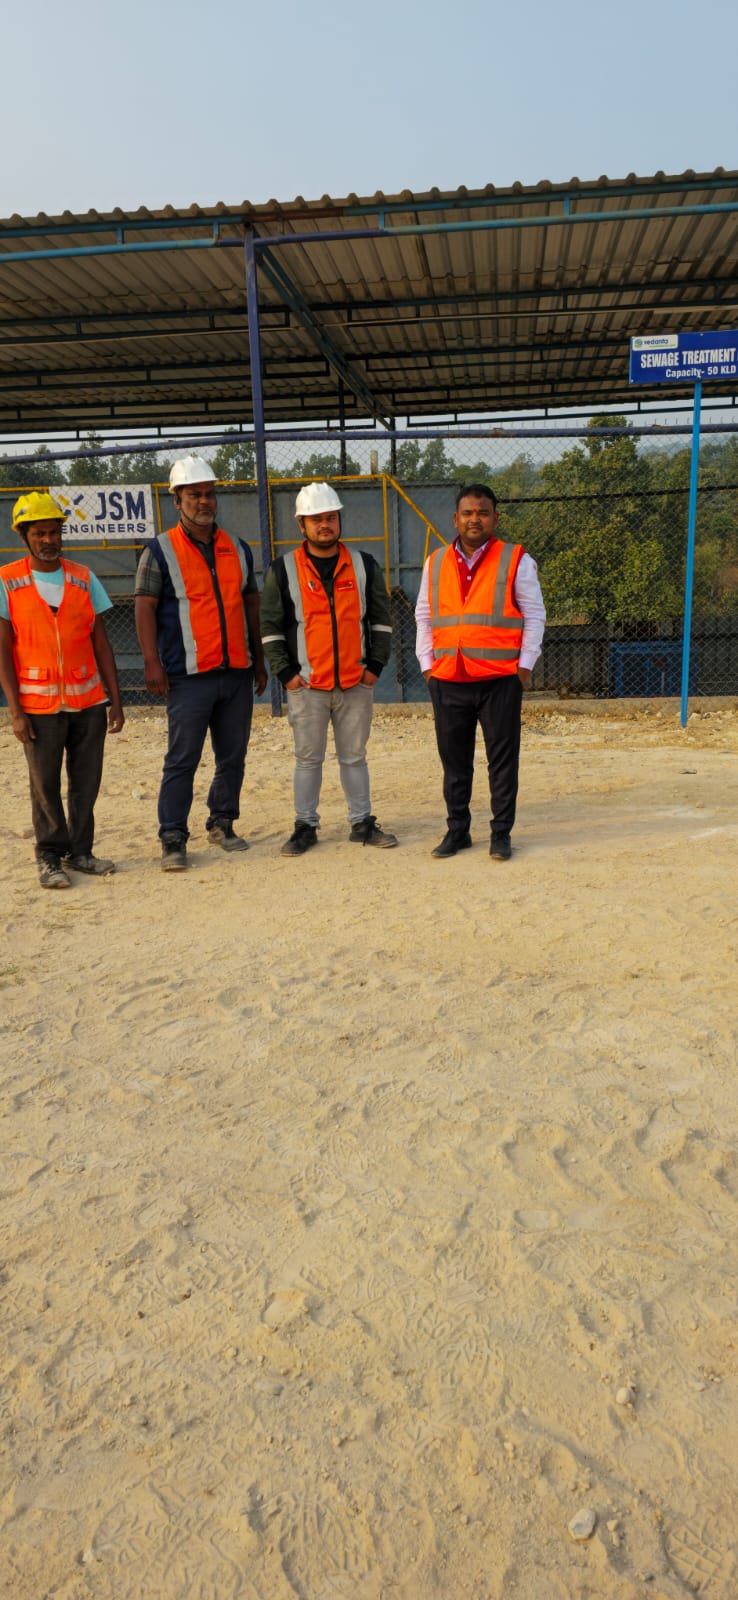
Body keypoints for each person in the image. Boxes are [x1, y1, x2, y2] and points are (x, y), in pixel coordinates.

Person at [134, 455, 267, 871]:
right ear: (177, 500)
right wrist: (152, 663)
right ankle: (173, 836)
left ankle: (222, 822)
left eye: (209, 494)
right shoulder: (159, 551)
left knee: (232, 755)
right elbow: (144, 607)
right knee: (182, 759)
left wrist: (259, 659)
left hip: (236, 672)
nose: (204, 501)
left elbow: (250, 604)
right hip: (188, 677)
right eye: (194, 495)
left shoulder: (237, 548)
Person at [260, 482, 398, 855]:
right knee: (308, 759)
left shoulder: (364, 565)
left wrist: (375, 666)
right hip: (307, 684)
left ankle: (362, 823)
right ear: (301, 525)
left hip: (355, 682)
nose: (325, 525)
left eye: (331, 517)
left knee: (354, 756)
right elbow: (270, 627)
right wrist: (287, 675)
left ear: (339, 520)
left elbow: (381, 620)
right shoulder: (283, 570)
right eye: (316, 519)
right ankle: (305, 826)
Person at [0, 491, 124, 889]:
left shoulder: (83, 578)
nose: (48, 540)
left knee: (86, 782)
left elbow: (101, 643)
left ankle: (81, 852)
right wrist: (15, 712)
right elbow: (3, 650)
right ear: (23, 535)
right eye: (39, 533)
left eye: (54, 532)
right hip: (38, 708)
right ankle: (50, 856)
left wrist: (115, 699)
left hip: (88, 703)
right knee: (45, 785)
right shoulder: (7, 581)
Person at [415, 482, 545, 860]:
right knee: (454, 762)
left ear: (495, 518)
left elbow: (534, 615)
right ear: (455, 519)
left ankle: (501, 833)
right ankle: (457, 831)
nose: (475, 519)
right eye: (468, 513)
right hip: (448, 677)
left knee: (502, 761)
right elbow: (424, 615)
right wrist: (427, 667)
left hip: (500, 679)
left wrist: (523, 668)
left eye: (483, 513)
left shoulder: (515, 559)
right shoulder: (435, 561)